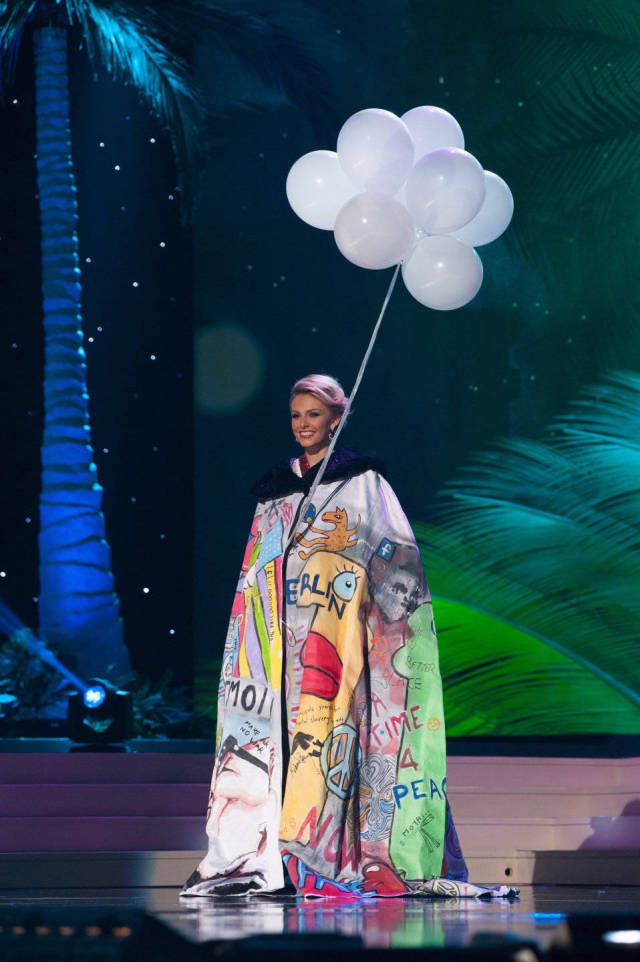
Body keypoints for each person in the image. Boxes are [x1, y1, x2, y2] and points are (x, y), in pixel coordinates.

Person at [182, 374, 515, 899]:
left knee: (332, 740)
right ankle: (269, 853)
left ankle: (326, 852)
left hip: (338, 641)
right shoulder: (276, 489)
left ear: (336, 418)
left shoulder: (362, 482)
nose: (302, 425)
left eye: (313, 415)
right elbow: (258, 566)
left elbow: (393, 558)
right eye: (295, 415)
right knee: (276, 742)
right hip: (279, 649)